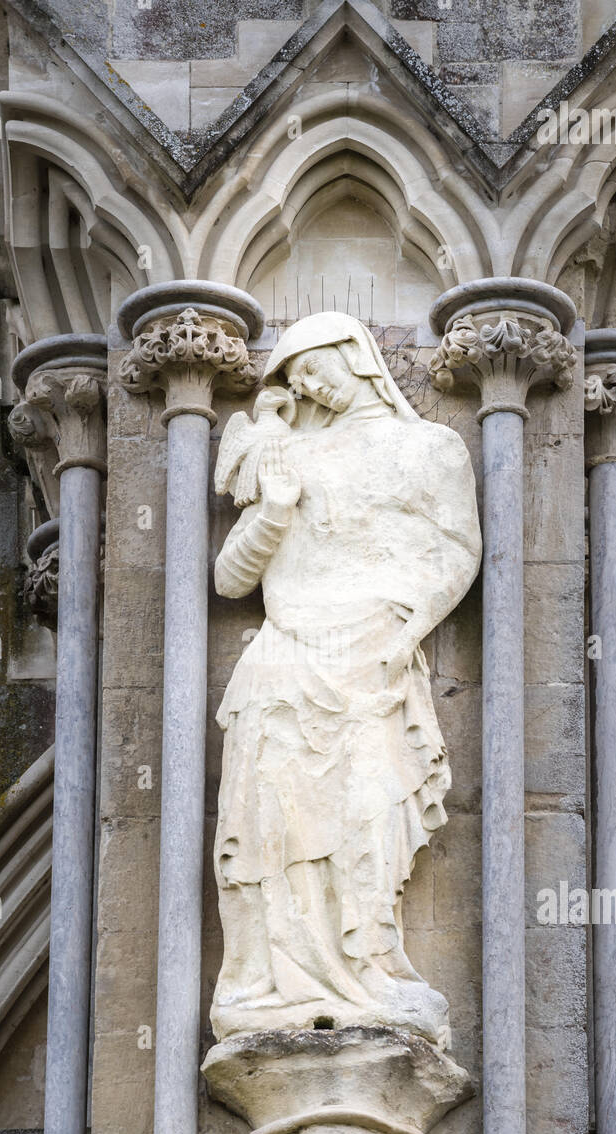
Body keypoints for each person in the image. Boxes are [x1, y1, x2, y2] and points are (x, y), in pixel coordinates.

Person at [210, 312, 482, 1047]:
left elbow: (458, 551)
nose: (304, 383)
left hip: (374, 658)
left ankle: (369, 968)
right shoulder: (291, 453)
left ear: (354, 353)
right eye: (292, 376)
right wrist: (275, 506)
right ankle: (271, 984)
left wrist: (408, 628)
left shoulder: (430, 448)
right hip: (287, 660)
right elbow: (230, 577)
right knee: (270, 825)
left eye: (311, 365)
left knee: (368, 819)